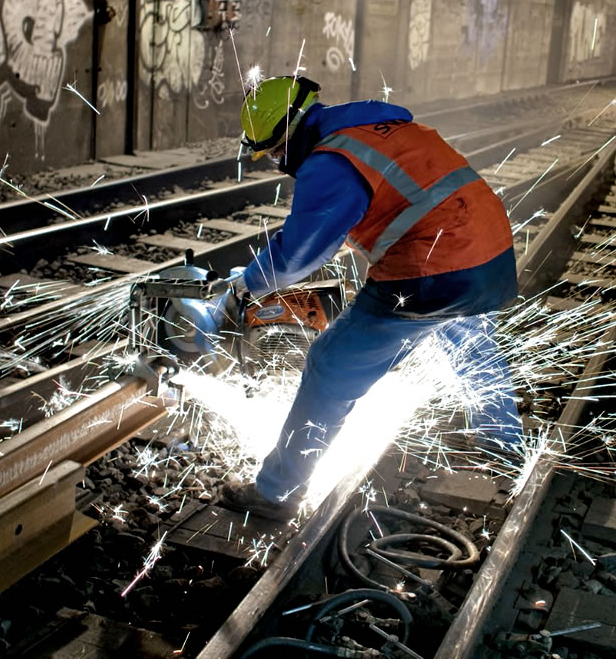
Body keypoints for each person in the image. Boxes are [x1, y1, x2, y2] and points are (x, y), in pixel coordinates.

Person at [218, 76, 522, 519]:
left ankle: (276, 492)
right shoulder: (381, 130)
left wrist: (245, 286)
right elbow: (395, 203)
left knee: (330, 366)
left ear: (293, 132)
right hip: (490, 256)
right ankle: (504, 440)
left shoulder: (332, 160)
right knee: (467, 334)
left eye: (278, 152)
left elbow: (295, 255)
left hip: (431, 272)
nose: (280, 162)